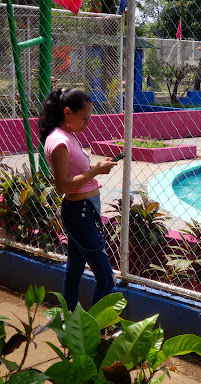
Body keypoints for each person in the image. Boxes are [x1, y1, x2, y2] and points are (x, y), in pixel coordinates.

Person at [39, 88, 117, 311]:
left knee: (74, 271)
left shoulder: (68, 136)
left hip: (83, 210)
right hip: (79, 213)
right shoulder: (60, 142)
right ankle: (96, 332)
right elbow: (62, 185)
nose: (87, 123)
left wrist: (95, 167)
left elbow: (74, 173)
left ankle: (69, 322)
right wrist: (95, 172)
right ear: (67, 113)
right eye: (84, 118)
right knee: (106, 277)